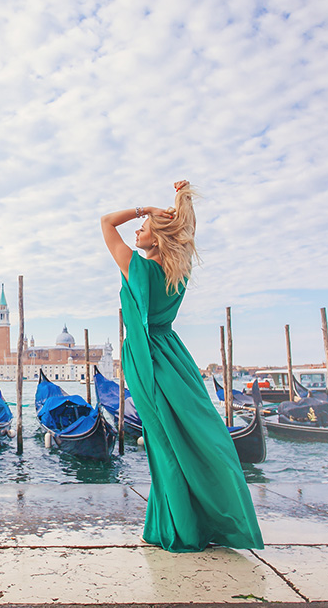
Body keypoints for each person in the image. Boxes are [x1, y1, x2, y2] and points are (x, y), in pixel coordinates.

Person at [100, 180, 263, 553]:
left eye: (141, 229)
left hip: (147, 358)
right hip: (175, 355)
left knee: (165, 444)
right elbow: (185, 232)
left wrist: (146, 208)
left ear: (156, 240)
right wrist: (179, 202)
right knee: (189, 437)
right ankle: (167, 523)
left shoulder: (138, 269)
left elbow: (107, 222)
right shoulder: (179, 271)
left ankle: (179, 530)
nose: (137, 230)